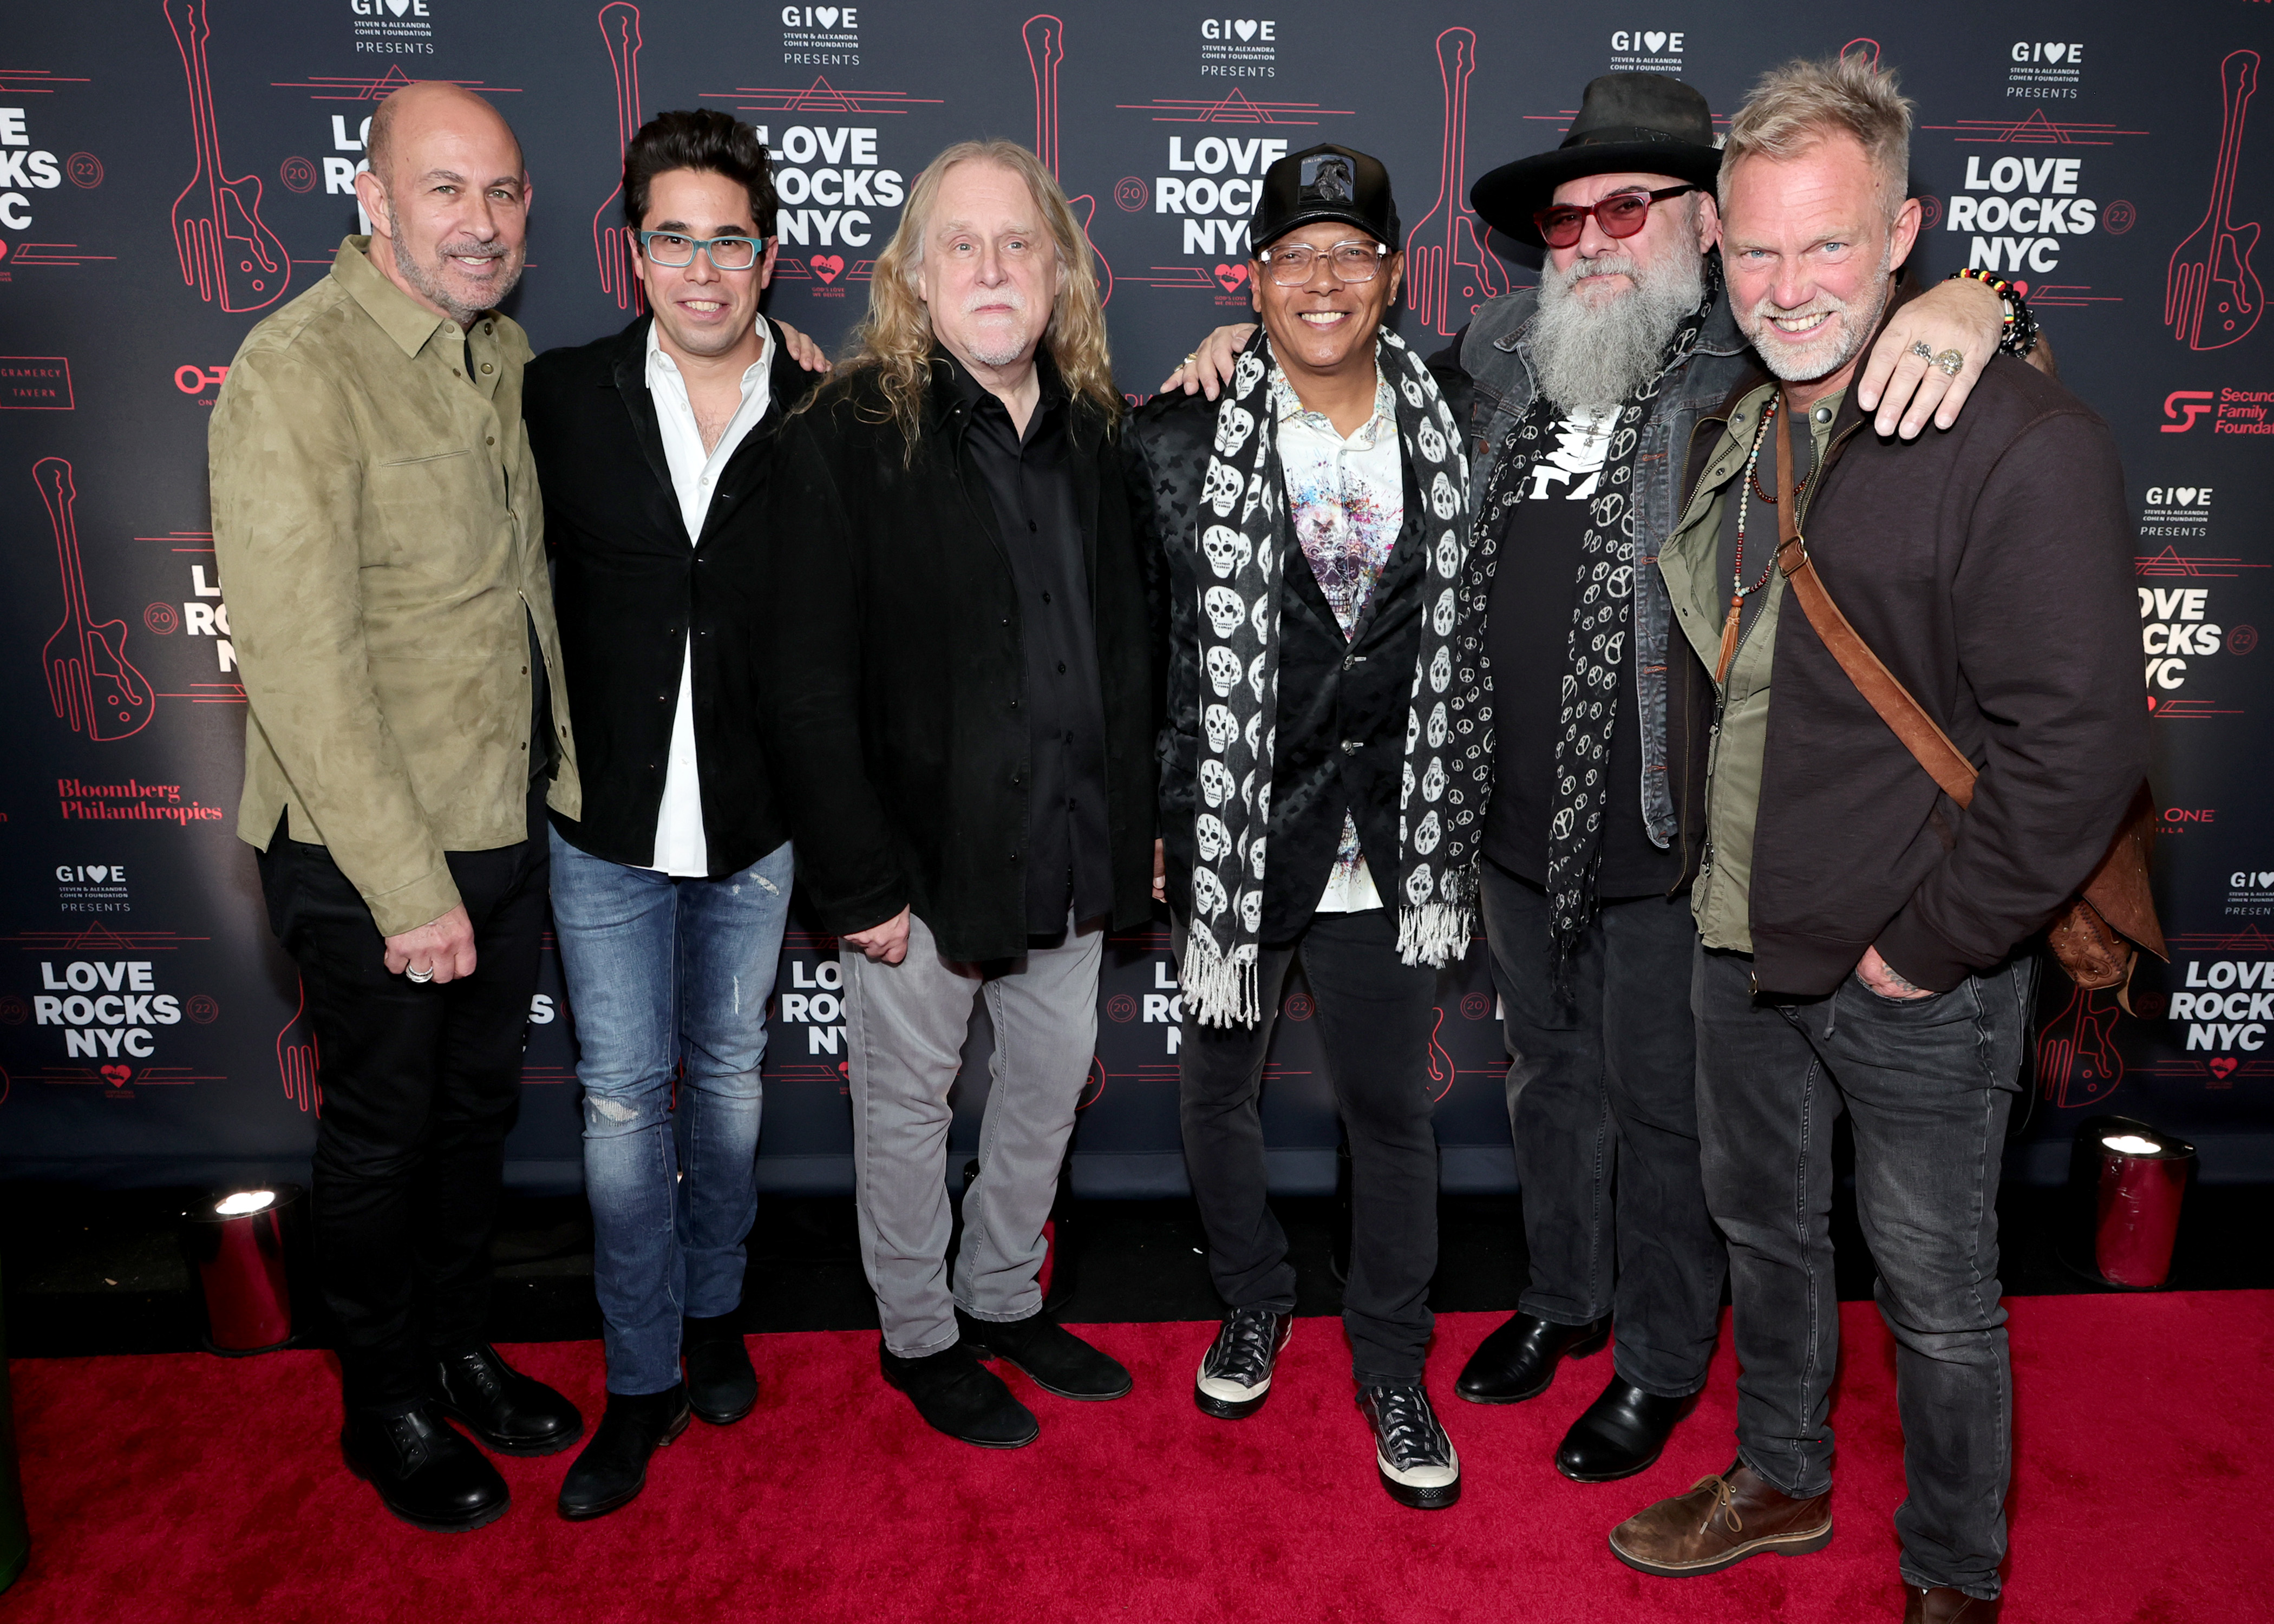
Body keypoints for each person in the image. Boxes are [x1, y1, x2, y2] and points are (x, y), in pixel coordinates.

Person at [1162, 73, 2026, 1483]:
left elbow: (1910, 350)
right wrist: (1238, 342)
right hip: (1497, 825)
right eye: (1567, 222)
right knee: (1547, 1088)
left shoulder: (1756, 360)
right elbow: (1341, 375)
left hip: (1669, 831)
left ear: (1710, 224)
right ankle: (1563, 1300)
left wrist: (1979, 299)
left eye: (1628, 209)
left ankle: (1660, 1361)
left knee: (1665, 1112)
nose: (1592, 244)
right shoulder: (1503, 346)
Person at [1606, 56, 2143, 1623]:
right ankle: (1779, 1477)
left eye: (1828, 246)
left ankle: (1953, 1580)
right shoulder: (1741, 413)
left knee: (1938, 1296)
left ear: (1905, 232)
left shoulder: (2020, 442)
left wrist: (1929, 947)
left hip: (1917, 966)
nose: (1789, 286)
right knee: (1763, 1232)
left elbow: (2079, 752)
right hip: (1740, 932)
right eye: (1758, 250)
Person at [209, 81, 581, 1532]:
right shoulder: (296, 371)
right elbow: (300, 667)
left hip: (499, 829)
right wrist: (405, 882)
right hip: (371, 858)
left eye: (501, 195)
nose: (481, 224)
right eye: (445, 191)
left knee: (472, 1128)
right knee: (380, 1137)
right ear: (370, 201)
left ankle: (456, 1344)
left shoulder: (497, 358)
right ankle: (384, 1406)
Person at [764, 140, 1155, 1449]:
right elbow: (806, 684)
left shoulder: (1101, 434)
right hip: (919, 870)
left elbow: (1139, 647)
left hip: (1074, 848)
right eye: (963, 247)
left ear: (1058, 271)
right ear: (917, 280)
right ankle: (920, 1332)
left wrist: (1139, 833)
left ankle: (1001, 1298)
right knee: (907, 1113)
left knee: (1045, 1098)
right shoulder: (848, 432)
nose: (993, 269)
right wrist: (857, 884)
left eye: (1018, 244)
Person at [1132, 144, 1484, 1511]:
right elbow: (1151, 656)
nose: (1324, 279)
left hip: (1394, 837)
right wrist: (1170, 815)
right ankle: (1256, 1297)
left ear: (1395, 273)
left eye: (1351, 251)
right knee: (1218, 1096)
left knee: (1391, 1113)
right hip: (1236, 834)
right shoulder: (1172, 436)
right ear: (1256, 280)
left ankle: (1393, 1357)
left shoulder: (1467, 411)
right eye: (1294, 256)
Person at [522, 109, 824, 1521]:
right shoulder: (561, 396)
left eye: (730, 241)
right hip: (606, 830)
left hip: (758, 829)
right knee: (623, 1110)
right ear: (632, 249)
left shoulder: (826, 411)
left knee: (732, 1088)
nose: (702, 269)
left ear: (769, 258)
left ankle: (715, 1320)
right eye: (674, 239)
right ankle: (638, 1377)